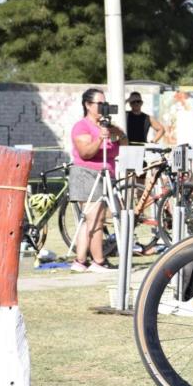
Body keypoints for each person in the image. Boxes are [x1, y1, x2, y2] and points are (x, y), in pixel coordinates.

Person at [69, 88, 127, 272]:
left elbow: (123, 147)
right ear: (88, 105)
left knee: (90, 219)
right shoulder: (82, 126)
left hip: (106, 175)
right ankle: (98, 261)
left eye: (105, 104)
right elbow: (85, 153)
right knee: (95, 218)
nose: (103, 107)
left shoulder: (107, 127)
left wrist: (119, 133)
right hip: (87, 174)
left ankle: (80, 261)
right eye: (99, 104)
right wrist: (100, 139)